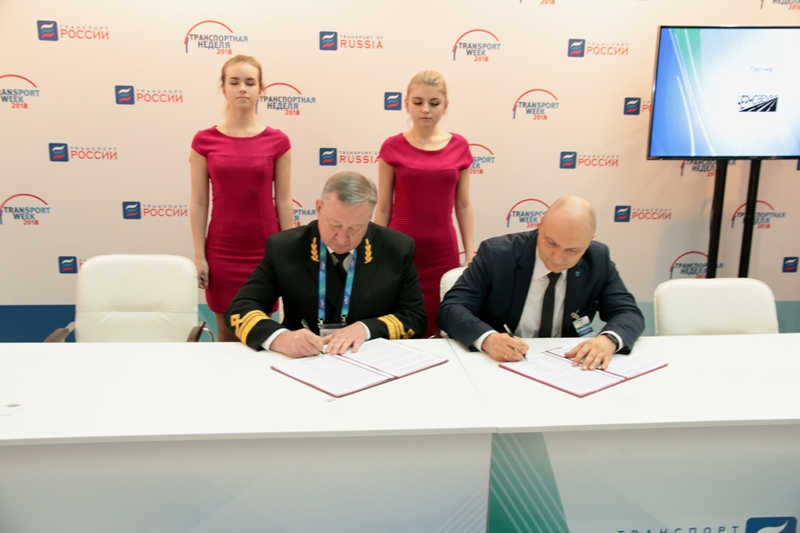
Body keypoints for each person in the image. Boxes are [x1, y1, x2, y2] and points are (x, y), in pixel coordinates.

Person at [225, 171, 427, 357]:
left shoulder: (397, 249)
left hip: (370, 358)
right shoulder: (285, 248)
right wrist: (281, 338)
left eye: (355, 228)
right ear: (319, 208)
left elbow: (415, 316)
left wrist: (366, 329)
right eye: (334, 225)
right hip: (302, 360)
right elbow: (240, 309)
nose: (342, 238)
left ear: (369, 218)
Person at [437, 196, 644, 371]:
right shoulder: (498, 254)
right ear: (541, 224)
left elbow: (628, 312)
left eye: (573, 250)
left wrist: (609, 340)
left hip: (567, 366)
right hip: (499, 365)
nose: (558, 257)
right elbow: (452, 308)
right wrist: (488, 339)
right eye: (551, 242)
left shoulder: (597, 259)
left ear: (590, 240)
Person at [190, 55, 292, 342]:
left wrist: (290, 255)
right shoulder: (204, 141)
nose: (242, 89)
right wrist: (199, 256)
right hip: (222, 253)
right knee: (226, 335)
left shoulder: (278, 141)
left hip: (265, 252)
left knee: (263, 335)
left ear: (261, 89)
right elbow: (199, 201)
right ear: (223, 88)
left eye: (250, 82)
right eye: (234, 82)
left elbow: (284, 201)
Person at [375, 70, 474, 338]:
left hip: (442, 252)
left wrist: (470, 252)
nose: (426, 109)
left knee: (441, 325)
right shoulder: (392, 147)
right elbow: (383, 207)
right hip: (399, 250)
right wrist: (373, 249)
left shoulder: (460, 146)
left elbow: (463, 205)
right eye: (418, 102)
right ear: (406, 103)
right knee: (398, 324)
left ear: (446, 105)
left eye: (434, 102)